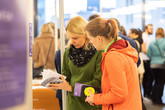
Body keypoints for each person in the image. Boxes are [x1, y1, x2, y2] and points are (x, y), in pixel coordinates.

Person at [85, 17, 142, 110]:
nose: (90, 42)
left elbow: (119, 94)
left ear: (99, 38)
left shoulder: (113, 57)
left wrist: (95, 98)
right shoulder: (124, 50)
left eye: (90, 39)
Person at [49, 16, 102, 110]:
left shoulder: (98, 52)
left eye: (75, 38)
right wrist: (58, 81)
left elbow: (97, 83)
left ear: (86, 34)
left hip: (92, 104)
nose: (72, 41)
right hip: (73, 104)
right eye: (70, 38)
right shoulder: (68, 52)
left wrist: (71, 88)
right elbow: (66, 76)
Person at [147, 28, 165, 105]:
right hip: (162, 64)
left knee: (155, 81)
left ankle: (154, 98)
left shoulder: (152, 42)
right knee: (161, 82)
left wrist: (154, 58)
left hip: (153, 65)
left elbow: (149, 54)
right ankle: (158, 100)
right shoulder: (164, 42)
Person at [141, 24, 154, 100]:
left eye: (152, 29)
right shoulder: (144, 36)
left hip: (148, 59)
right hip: (145, 59)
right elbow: (144, 49)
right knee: (148, 78)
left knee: (149, 78)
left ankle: (148, 93)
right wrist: (152, 54)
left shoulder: (149, 37)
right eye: (150, 29)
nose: (152, 30)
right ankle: (147, 94)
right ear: (146, 29)